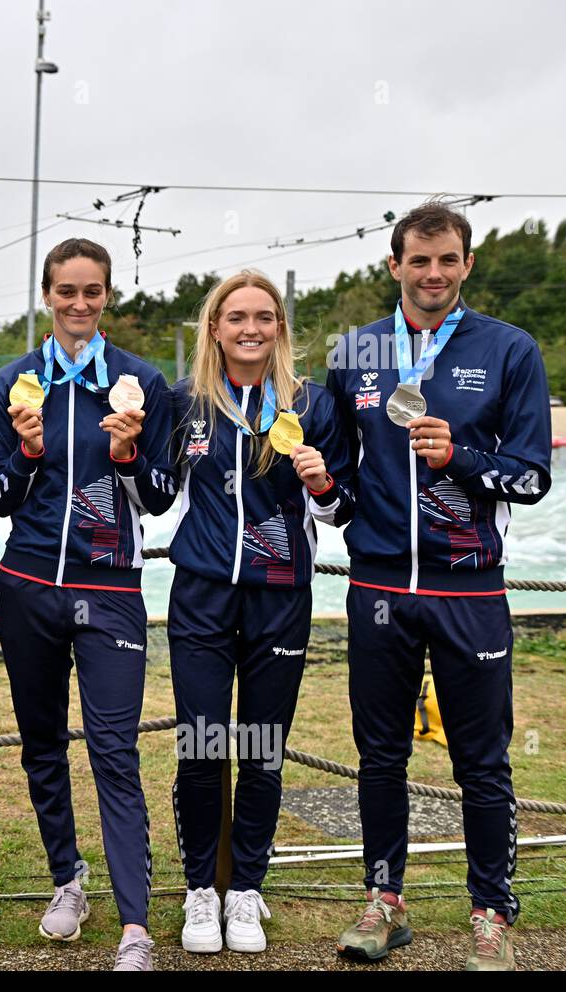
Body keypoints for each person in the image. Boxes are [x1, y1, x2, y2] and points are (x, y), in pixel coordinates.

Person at [326, 202, 552, 971]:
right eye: (418, 261)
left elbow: (531, 477)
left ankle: (491, 913)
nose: (433, 275)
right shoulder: (353, 351)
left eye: (446, 260)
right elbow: (338, 486)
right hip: (379, 585)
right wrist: (324, 492)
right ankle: (384, 903)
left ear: (467, 265)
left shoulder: (510, 349)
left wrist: (459, 455)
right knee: (380, 755)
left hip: (470, 590)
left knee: (481, 763)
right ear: (393, 266)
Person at [0, 238, 178, 971]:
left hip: (110, 588)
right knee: (42, 746)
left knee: (114, 752)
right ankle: (68, 880)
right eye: (66, 291)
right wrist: (27, 452)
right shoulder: (12, 381)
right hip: (28, 584)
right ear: (46, 294)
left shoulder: (141, 381)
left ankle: (135, 927)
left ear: (106, 297)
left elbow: (158, 499)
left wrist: (128, 456)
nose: (79, 304)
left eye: (92, 291)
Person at [165, 271, 354, 954]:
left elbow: (342, 508)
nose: (250, 329)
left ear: (279, 327)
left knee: (262, 751)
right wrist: (125, 449)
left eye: (264, 317)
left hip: (281, 595)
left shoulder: (315, 404)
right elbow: (156, 498)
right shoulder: (184, 402)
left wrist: (322, 483)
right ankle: (198, 892)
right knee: (201, 745)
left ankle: (245, 890)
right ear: (214, 326)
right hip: (202, 594)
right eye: (236, 316)